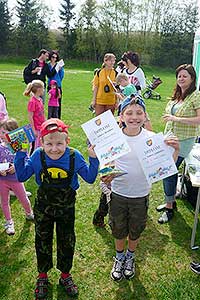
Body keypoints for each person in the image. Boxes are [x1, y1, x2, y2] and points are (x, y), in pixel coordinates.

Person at [14, 118, 99, 298]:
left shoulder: (74, 156)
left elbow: (90, 178)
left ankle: (65, 275)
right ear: (41, 142)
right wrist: (21, 154)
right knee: (42, 239)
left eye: (59, 143)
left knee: (66, 240)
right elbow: (21, 176)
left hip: (66, 208)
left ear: (67, 141)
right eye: (49, 143)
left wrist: (93, 157)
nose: (54, 148)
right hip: (44, 207)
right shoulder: (38, 155)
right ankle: (43, 275)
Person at [101, 95, 179, 282]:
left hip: (140, 194)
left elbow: (166, 165)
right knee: (118, 228)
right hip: (118, 193)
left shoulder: (153, 139)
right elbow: (106, 165)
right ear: (121, 117)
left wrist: (175, 150)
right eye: (129, 113)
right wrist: (106, 176)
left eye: (139, 113)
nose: (134, 117)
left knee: (136, 228)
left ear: (145, 116)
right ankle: (119, 257)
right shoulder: (114, 138)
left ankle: (130, 255)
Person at [156, 64, 200, 224]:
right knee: (167, 170)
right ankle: (171, 202)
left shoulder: (196, 95)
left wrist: (176, 119)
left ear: (192, 78)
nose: (181, 78)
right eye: (179, 76)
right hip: (170, 138)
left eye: (185, 76)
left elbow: (199, 120)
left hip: (183, 141)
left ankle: (169, 207)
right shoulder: (177, 95)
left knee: (168, 170)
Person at [0, 118, 34, 236]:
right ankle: (9, 222)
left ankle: (29, 213)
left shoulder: (19, 147)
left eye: (6, 133)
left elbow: (27, 159)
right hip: (2, 180)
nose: (2, 135)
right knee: (4, 201)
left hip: (16, 179)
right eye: (1, 132)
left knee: (23, 198)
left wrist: (16, 166)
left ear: (14, 134)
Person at [23, 80, 46, 154]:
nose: (44, 90)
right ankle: (31, 160)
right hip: (35, 128)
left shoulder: (40, 100)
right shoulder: (32, 102)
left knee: (40, 144)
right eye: (43, 88)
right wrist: (33, 129)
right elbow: (30, 116)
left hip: (41, 127)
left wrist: (45, 123)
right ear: (39, 89)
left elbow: (42, 113)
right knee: (34, 146)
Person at [47, 50, 64, 119]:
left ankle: (57, 118)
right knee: (51, 102)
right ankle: (50, 118)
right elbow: (48, 75)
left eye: (56, 58)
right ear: (50, 57)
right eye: (53, 57)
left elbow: (62, 75)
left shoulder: (59, 65)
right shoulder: (48, 65)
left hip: (57, 86)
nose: (54, 59)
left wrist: (58, 81)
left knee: (58, 103)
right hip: (50, 85)